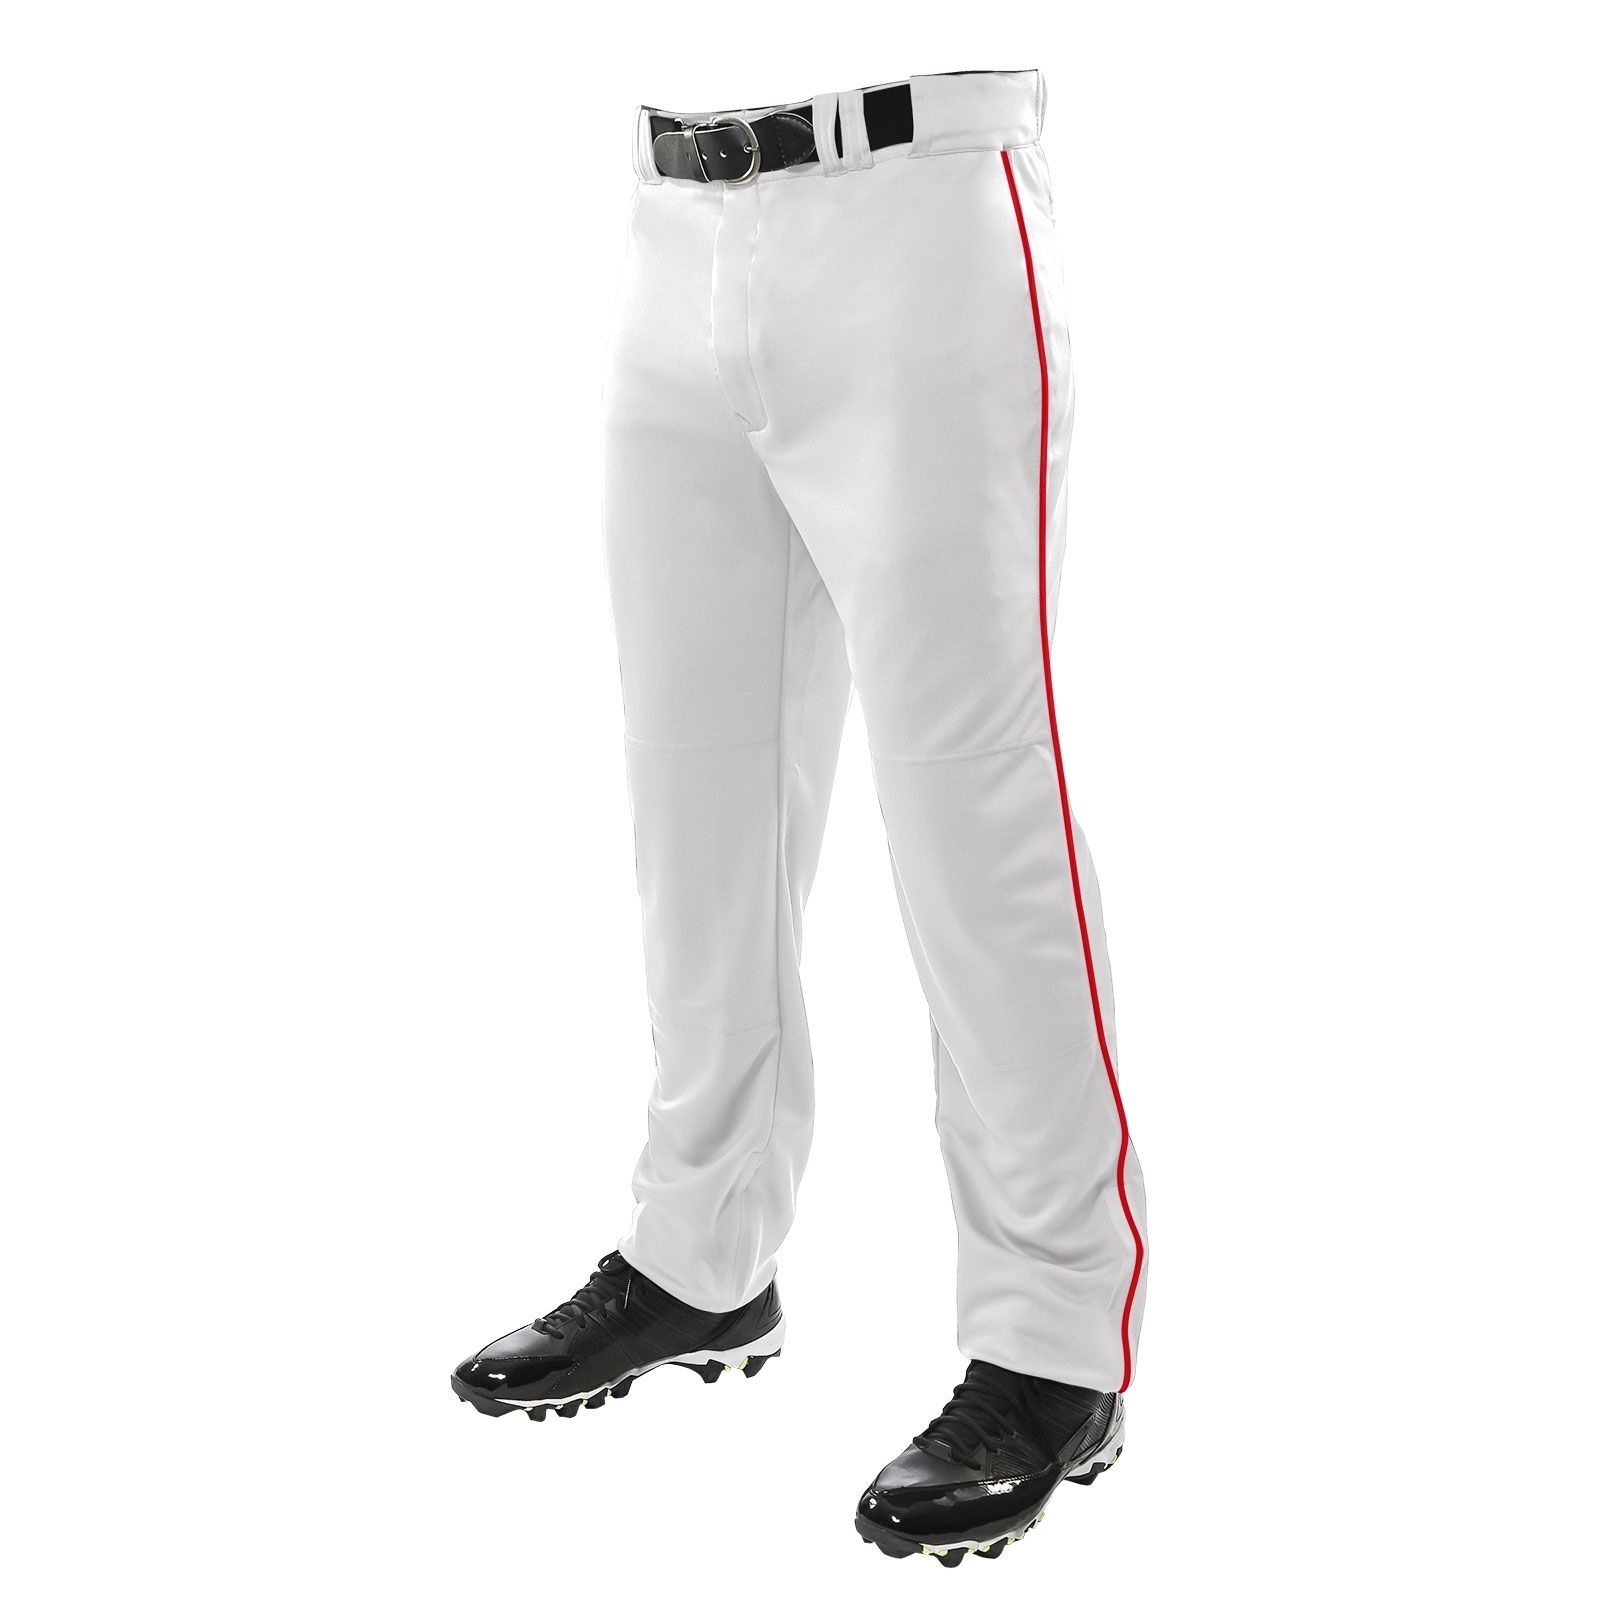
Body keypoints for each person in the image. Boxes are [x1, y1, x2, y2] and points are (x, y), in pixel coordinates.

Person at [451, 68, 1148, 1566]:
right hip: (674, 228)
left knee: (973, 805)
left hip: (919, 215)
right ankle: (700, 1252)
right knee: (695, 796)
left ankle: (1053, 1342)